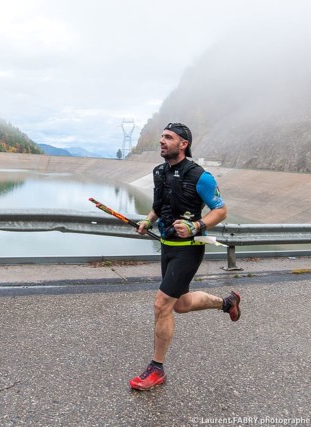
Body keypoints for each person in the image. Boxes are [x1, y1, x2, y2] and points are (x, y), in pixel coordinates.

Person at [130, 122, 241, 391]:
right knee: (178, 304)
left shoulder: (200, 176)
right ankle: (227, 303)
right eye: (161, 137)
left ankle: (156, 369)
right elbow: (159, 207)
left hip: (189, 248)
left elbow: (221, 210)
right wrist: (147, 220)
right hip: (166, 245)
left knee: (161, 305)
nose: (162, 141)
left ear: (184, 144)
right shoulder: (158, 172)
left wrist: (196, 225)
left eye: (169, 138)